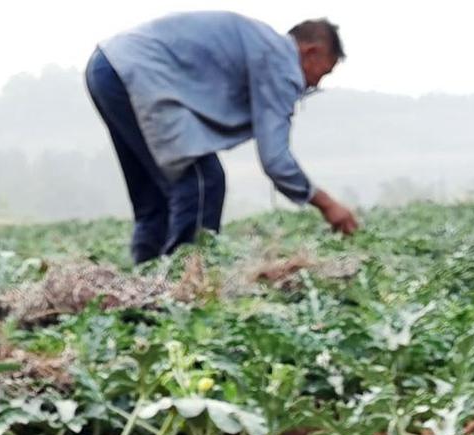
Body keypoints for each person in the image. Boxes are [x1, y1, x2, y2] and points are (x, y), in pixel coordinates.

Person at [86, 13, 360, 265]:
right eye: (323, 72)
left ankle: (144, 285)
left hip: (107, 67)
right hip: (137, 72)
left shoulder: (260, 44)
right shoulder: (281, 61)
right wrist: (328, 205)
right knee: (203, 181)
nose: (315, 84)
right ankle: (184, 285)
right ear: (311, 51)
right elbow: (275, 159)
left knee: (154, 202)